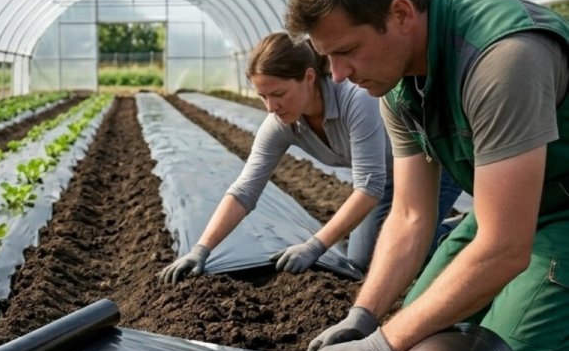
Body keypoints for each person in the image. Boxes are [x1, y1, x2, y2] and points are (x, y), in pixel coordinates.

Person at [285, 0, 569, 351]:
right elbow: (411, 214)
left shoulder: (502, 61)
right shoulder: (396, 84)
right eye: (328, 57)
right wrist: (364, 319)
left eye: (347, 50)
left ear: (400, 14)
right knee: (422, 331)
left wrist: (381, 346)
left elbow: (504, 246)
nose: (339, 75)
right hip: (515, 205)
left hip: (560, 208)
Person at [159, 33, 461, 284]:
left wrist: (314, 245)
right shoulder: (281, 123)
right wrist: (201, 249)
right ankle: (439, 230)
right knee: (361, 263)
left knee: (405, 257)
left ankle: (460, 232)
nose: (270, 107)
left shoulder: (356, 99)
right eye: (263, 96)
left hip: (433, 161)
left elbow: (368, 187)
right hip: (386, 175)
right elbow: (245, 189)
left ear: (308, 77)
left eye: (278, 94)